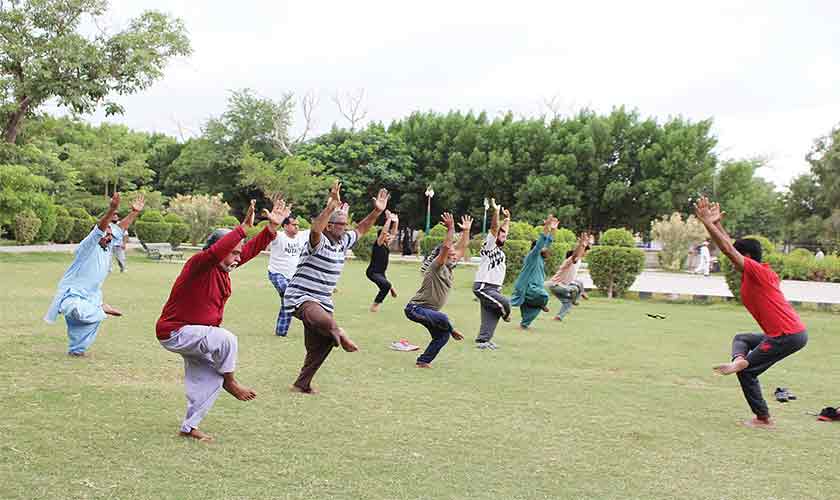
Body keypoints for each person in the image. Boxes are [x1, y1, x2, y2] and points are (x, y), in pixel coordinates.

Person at [156, 198, 290, 442]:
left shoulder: (222, 268)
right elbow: (219, 251)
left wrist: (271, 228)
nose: (238, 258)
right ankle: (231, 381)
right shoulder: (198, 265)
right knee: (227, 339)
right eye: (233, 253)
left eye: (239, 253)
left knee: (208, 379)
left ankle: (189, 427)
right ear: (216, 250)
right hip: (175, 332)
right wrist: (242, 228)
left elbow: (249, 249)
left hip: (198, 336)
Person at [694, 196, 808, 429]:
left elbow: (727, 249)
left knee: (747, 374)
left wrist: (707, 223)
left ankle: (763, 419)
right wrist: (716, 225)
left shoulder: (756, 272)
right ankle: (739, 360)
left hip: (785, 335)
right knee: (742, 338)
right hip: (791, 333)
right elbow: (731, 246)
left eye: (738, 256)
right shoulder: (759, 271)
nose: (732, 260)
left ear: (747, 258)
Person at [284, 181, 389, 394]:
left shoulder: (343, 241)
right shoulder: (319, 241)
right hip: (301, 297)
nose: (345, 226)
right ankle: (340, 331)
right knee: (327, 324)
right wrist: (331, 206)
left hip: (324, 300)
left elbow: (362, 228)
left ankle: (301, 384)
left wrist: (377, 211)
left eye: (345, 223)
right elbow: (315, 229)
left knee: (322, 345)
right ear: (329, 226)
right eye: (340, 224)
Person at [43, 192, 144, 356]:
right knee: (76, 311)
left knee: (83, 324)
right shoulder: (89, 244)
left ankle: (77, 350)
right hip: (72, 294)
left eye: (111, 234)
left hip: (92, 295)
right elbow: (102, 226)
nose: (110, 235)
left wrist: (135, 212)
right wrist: (112, 210)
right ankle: (100, 308)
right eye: (107, 233)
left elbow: (122, 227)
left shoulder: (108, 246)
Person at [405, 213, 471, 367]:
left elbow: (462, 247)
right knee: (443, 318)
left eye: (455, 255)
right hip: (415, 309)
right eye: (452, 255)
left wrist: (466, 231)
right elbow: (447, 247)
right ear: (442, 256)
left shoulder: (449, 267)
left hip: (428, 312)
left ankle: (423, 361)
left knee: (442, 336)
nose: (455, 256)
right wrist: (451, 228)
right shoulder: (436, 266)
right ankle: (451, 329)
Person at [473, 198, 511, 350]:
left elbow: (503, 230)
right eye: (502, 235)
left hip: (494, 288)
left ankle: (483, 340)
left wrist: (507, 219)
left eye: (505, 235)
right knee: (505, 303)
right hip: (484, 286)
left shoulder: (500, 251)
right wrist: (495, 212)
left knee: (492, 313)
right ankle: (507, 315)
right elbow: (495, 228)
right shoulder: (489, 246)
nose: (504, 236)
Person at [510, 215, 559, 329]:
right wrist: (546, 226)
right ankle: (541, 304)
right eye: (544, 247)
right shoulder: (533, 256)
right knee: (543, 296)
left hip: (535, 288)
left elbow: (548, 241)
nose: (547, 249)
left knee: (531, 308)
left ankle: (524, 324)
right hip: (528, 288)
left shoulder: (541, 258)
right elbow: (542, 242)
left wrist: (553, 229)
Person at [267, 214, 310, 336]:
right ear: (285, 226)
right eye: (293, 224)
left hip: (293, 277)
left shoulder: (301, 236)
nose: (297, 227)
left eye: (297, 225)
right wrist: (273, 221)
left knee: (287, 302)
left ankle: (281, 332)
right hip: (277, 273)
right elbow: (270, 232)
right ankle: (303, 313)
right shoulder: (278, 236)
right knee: (288, 294)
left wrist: (333, 211)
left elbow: (319, 227)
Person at [546, 233, 591, 322]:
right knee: (574, 288)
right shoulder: (568, 262)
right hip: (556, 285)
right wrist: (580, 245)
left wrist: (584, 245)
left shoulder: (577, 261)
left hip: (562, 286)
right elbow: (575, 255)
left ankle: (559, 317)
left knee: (568, 301)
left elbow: (579, 255)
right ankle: (575, 299)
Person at [367, 211, 399, 312]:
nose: (389, 236)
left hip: (381, 273)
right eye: (386, 235)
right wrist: (388, 219)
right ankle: (375, 305)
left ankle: (390, 287)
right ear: (381, 236)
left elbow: (393, 232)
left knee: (384, 286)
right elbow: (384, 232)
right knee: (386, 285)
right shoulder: (379, 243)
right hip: (373, 272)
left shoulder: (386, 244)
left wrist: (396, 221)